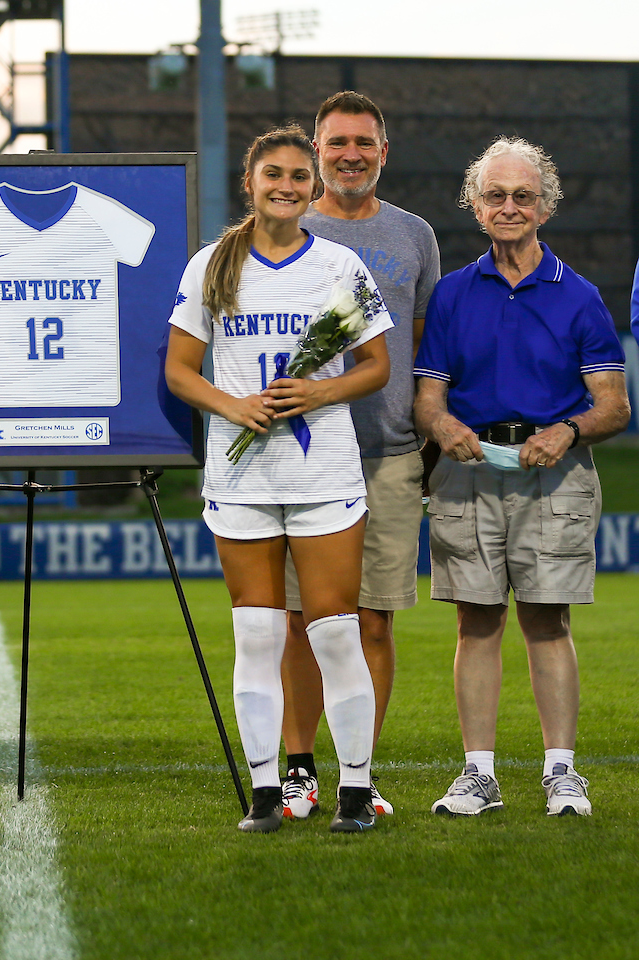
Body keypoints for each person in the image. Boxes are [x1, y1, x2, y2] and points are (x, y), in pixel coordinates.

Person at [166, 125, 393, 834]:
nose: (287, 186)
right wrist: (232, 405)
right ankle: (266, 793)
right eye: (275, 175)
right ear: (250, 182)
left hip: (324, 470)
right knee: (258, 636)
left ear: (311, 185)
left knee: (333, 633)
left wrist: (319, 394)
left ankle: (354, 793)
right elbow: (177, 370)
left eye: (300, 176)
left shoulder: (340, 264)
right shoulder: (212, 264)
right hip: (240, 482)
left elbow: (376, 365)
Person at [415, 137, 630, 817]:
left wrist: (566, 430)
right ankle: (478, 774)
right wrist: (443, 428)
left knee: (547, 620)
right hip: (469, 472)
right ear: (476, 207)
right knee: (476, 625)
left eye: (523, 196)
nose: (510, 207)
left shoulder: (581, 296)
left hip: (555, 474)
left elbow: (613, 405)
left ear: (545, 207)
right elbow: (427, 397)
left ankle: (561, 771)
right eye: (496, 195)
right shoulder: (450, 294)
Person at [279, 91, 441, 820]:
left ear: (384, 152)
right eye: (337, 142)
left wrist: (431, 429)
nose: (350, 155)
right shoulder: (283, 226)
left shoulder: (415, 236)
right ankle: (297, 770)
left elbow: (426, 345)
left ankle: (358, 775)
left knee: (373, 621)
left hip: (390, 453)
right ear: (318, 151)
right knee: (298, 621)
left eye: (363, 143)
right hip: (300, 453)